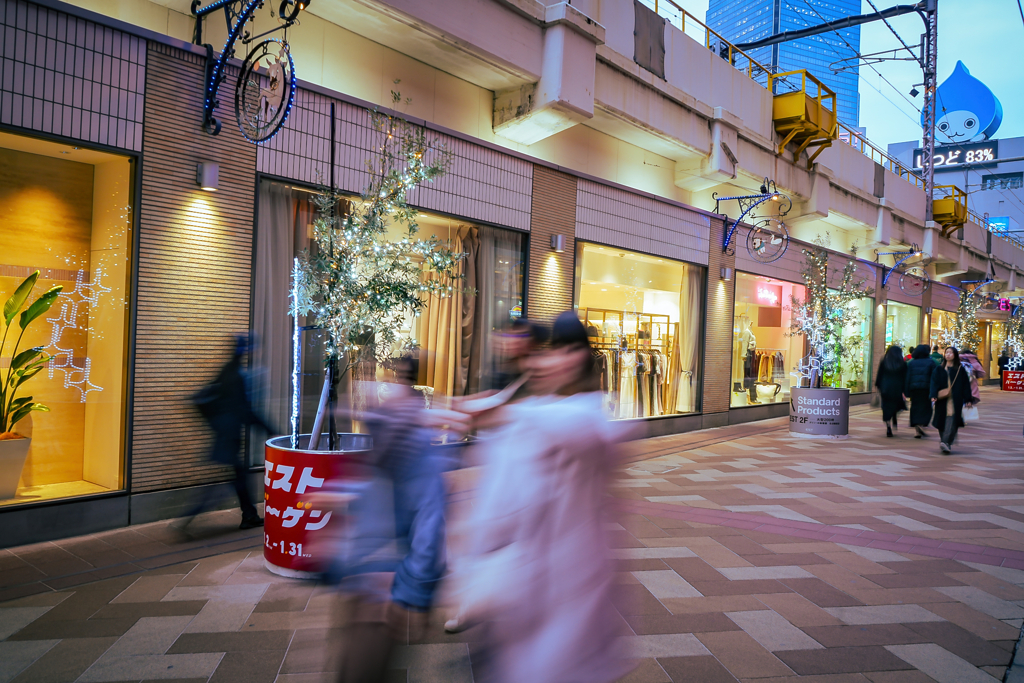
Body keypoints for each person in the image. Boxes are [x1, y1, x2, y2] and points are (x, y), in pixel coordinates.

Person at [454, 311, 630, 683]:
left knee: (555, 661)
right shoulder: (535, 405)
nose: (553, 361)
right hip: (532, 567)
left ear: (581, 357)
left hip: (571, 568)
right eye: (552, 351)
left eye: (566, 351)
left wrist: (494, 416)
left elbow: (586, 433)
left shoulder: (584, 415)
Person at [187, 335, 275, 531]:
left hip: (224, 434)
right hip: (228, 436)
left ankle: (248, 515)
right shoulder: (237, 376)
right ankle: (190, 516)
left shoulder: (228, 370)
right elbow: (244, 410)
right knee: (236, 479)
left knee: (238, 477)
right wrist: (269, 429)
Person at [930, 346, 975, 454]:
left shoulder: (960, 369)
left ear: (955, 355)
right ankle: (945, 442)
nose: (948, 354)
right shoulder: (939, 369)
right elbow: (933, 383)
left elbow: (965, 385)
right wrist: (933, 395)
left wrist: (968, 399)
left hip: (955, 399)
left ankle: (946, 442)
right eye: (947, 353)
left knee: (952, 420)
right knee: (941, 421)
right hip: (942, 399)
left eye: (950, 353)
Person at [875, 345, 907, 437]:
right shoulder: (902, 363)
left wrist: (878, 385)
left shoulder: (884, 362)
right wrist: (905, 390)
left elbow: (879, 374)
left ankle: (888, 425)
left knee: (886, 407)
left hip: (885, 388)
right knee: (897, 405)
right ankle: (894, 417)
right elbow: (905, 377)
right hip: (897, 388)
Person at [904, 344, 936, 438]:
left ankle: (916, 427)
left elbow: (907, 377)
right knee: (926, 407)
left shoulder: (911, 362)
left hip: (914, 389)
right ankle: (922, 424)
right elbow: (934, 377)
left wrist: (906, 391)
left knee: (915, 407)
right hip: (926, 388)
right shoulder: (931, 362)